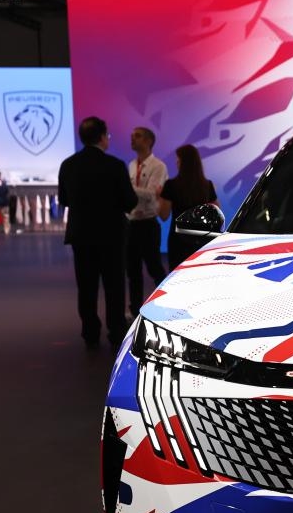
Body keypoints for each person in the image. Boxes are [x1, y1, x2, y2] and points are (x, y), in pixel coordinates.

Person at [58, 116, 138, 350]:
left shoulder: (68, 165)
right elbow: (129, 201)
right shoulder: (115, 165)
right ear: (102, 137)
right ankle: (116, 330)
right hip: (112, 236)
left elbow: (64, 199)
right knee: (114, 285)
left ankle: (90, 331)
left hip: (81, 236)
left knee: (86, 285)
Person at [125, 126, 168, 318]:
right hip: (131, 223)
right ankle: (135, 310)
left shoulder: (158, 166)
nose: (133, 138)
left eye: (138, 136)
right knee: (132, 270)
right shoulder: (131, 165)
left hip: (148, 224)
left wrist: (126, 187)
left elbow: (152, 195)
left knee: (154, 267)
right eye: (132, 136)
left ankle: (165, 305)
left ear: (149, 141)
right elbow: (147, 193)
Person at [158, 144, 218, 270]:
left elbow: (163, 215)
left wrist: (158, 196)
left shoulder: (170, 185)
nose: (176, 162)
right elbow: (216, 212)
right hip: (201, 240)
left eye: (178, 159)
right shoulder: (207, 185)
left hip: (178, 240)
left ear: (182, 162)